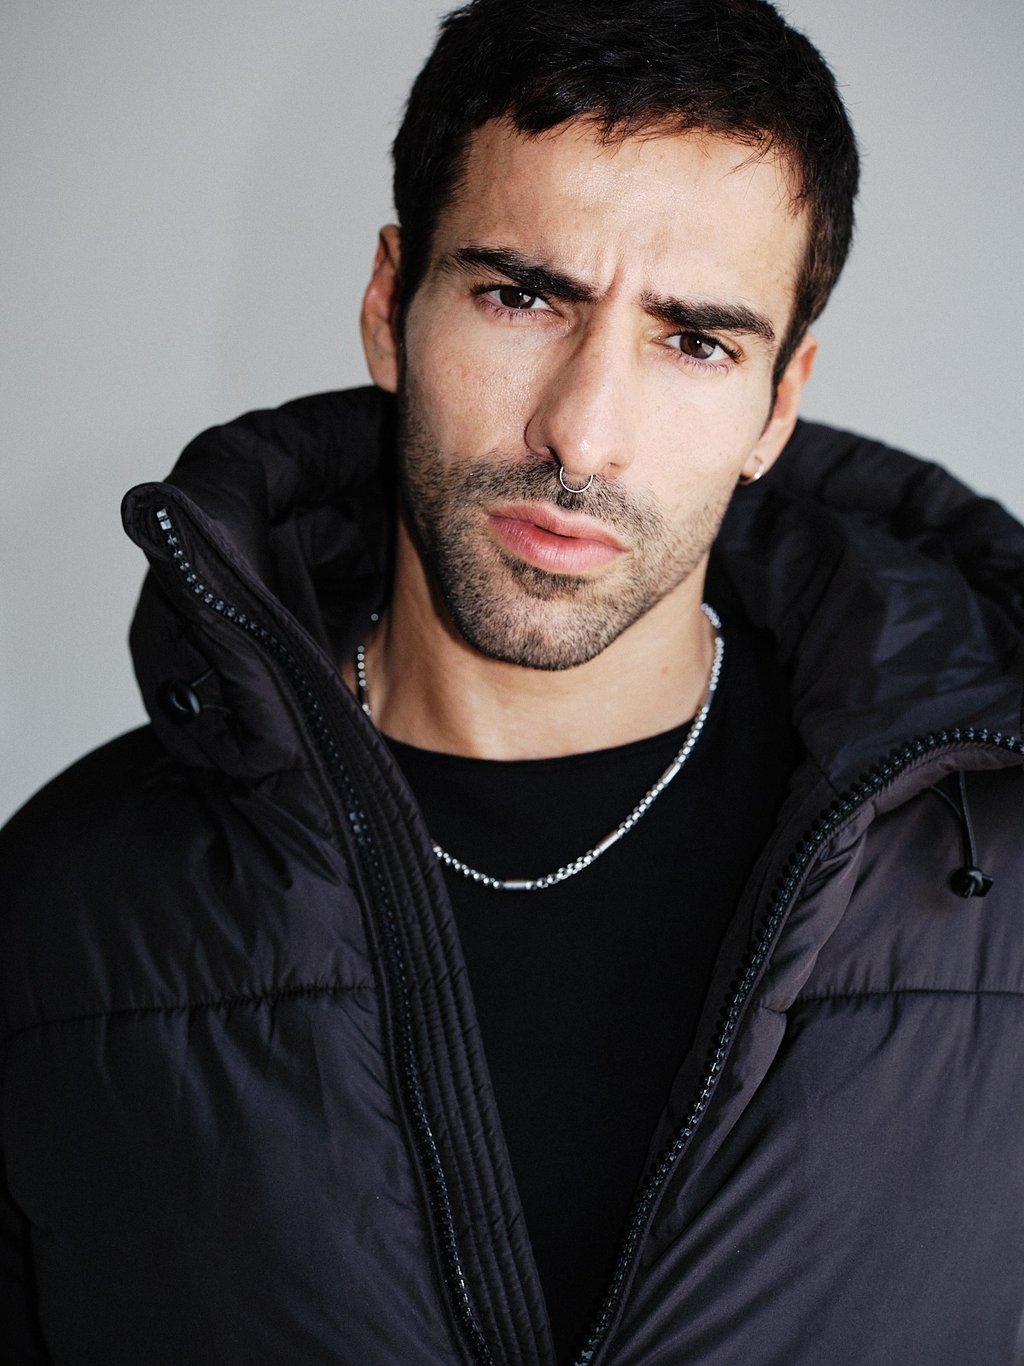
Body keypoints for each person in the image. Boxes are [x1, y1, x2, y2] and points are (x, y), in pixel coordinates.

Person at [2, 0, 1023, 1361]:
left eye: (696, 340)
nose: (581, 434)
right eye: (522, 297)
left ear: (778, 404)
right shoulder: (64, 903)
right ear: (390, 306)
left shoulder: (1000, 883)